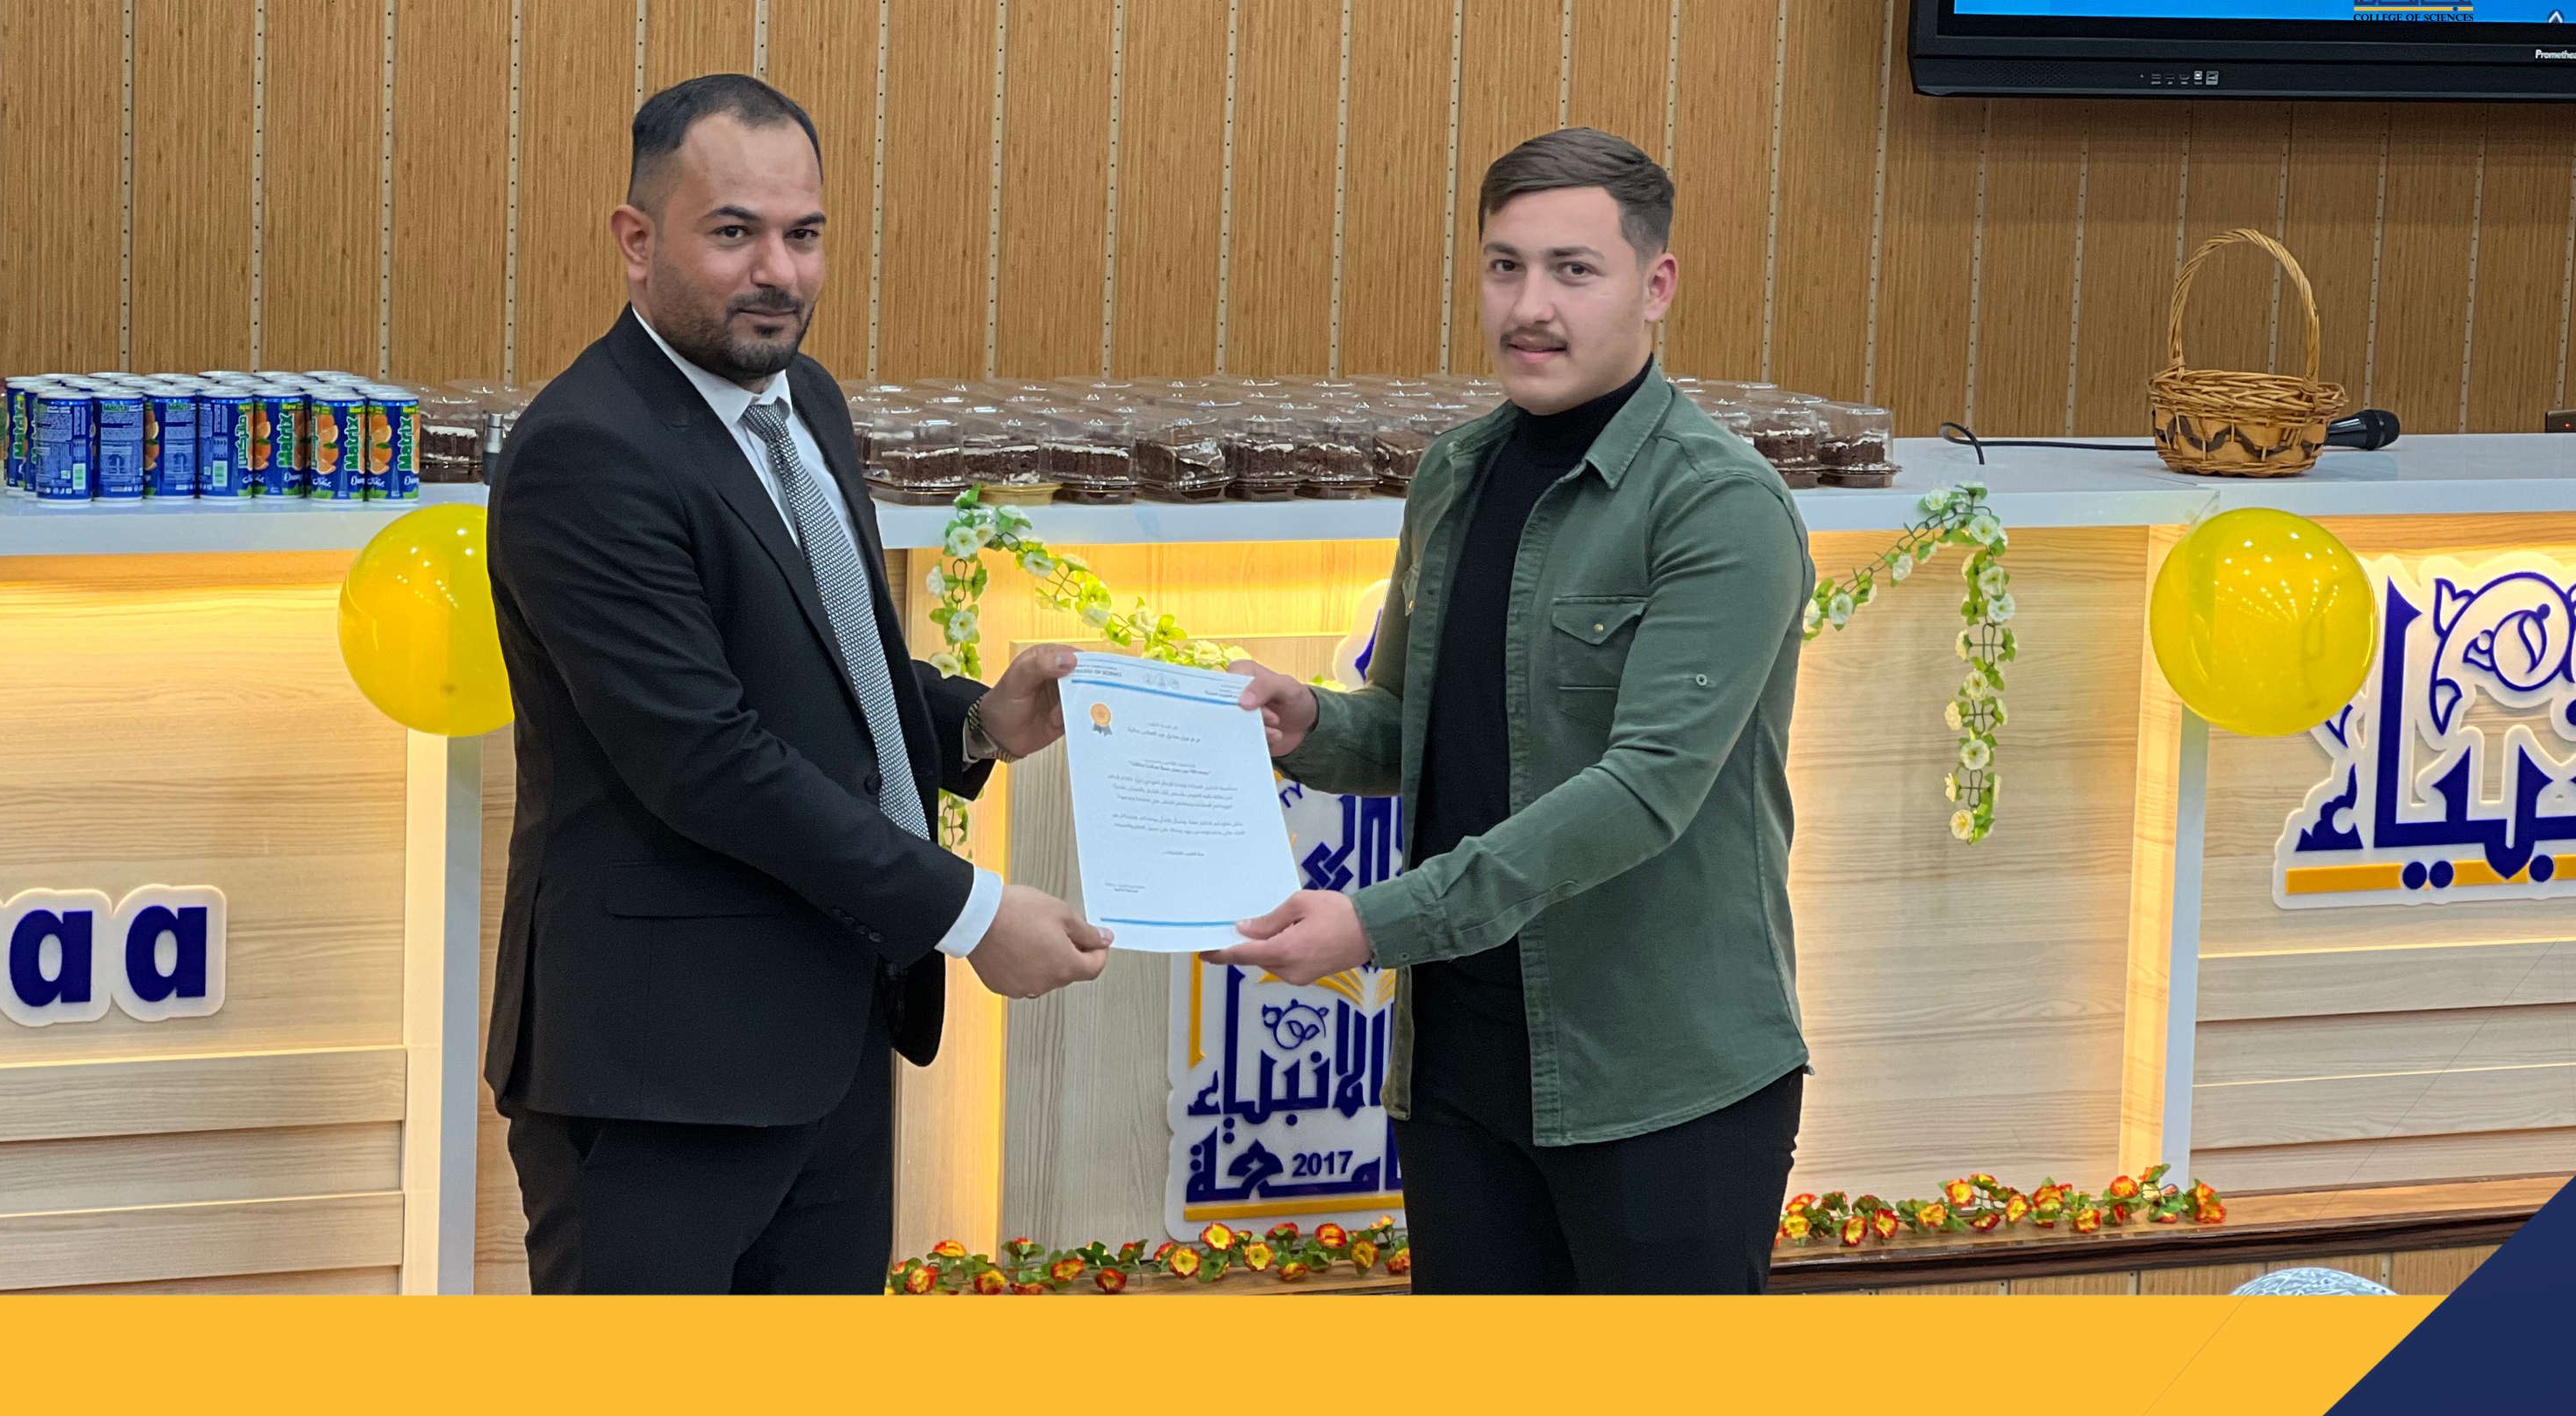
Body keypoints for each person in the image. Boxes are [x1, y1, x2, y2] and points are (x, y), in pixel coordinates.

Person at [485, 72, 1111, 1294]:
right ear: (636, 240)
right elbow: (706, 759)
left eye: (804, 234)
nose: (778, 271)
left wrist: (973, 722)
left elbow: (818, 661)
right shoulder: (587, 452)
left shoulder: (803, 400)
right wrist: (972, 913)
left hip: (831, 1042)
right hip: (658, 1076)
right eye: (735, 233)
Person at [1217, 127, 1815, 1294]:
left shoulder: (1721, 505)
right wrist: (1314, 727)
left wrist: (1377, 922)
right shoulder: (1454, 473)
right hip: (1460, 1069)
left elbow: (1642, 791)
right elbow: (1422, 726)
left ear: (1657, 286)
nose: (1529, 307)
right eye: (1505, 267)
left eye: (1572, 270)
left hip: (1662, 1082)